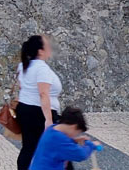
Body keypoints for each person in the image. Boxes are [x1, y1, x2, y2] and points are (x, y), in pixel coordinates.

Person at [14, 34, 64, 170]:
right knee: (56, 146)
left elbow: (22, 87)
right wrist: (48, 120)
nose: (50, 48)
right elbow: (43, 94)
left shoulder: (23, 66)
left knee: (29, 148)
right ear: (40, 51)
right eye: (47, 45)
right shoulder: (42, 69)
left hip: (24, 109)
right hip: (39, 113)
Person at [29, 107, 101, 170]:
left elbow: (60, 145)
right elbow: (80, 154)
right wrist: (91, 145)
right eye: (77, 133)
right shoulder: (59, 139)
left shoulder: (51, 130)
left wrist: (74, 141)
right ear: (74, 127)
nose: (75, 135)